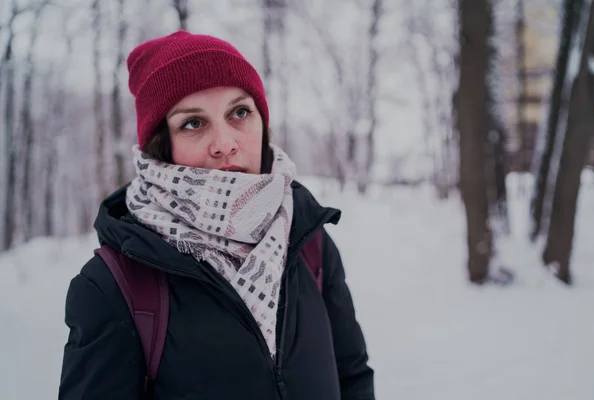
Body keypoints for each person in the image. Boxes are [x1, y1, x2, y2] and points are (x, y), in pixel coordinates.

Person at [58, 30, 374, 400]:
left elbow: (351, 375)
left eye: (240, 112)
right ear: (162, 146)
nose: (225, 143)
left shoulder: (309, 242)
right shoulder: (115, 286)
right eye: (193, 122)